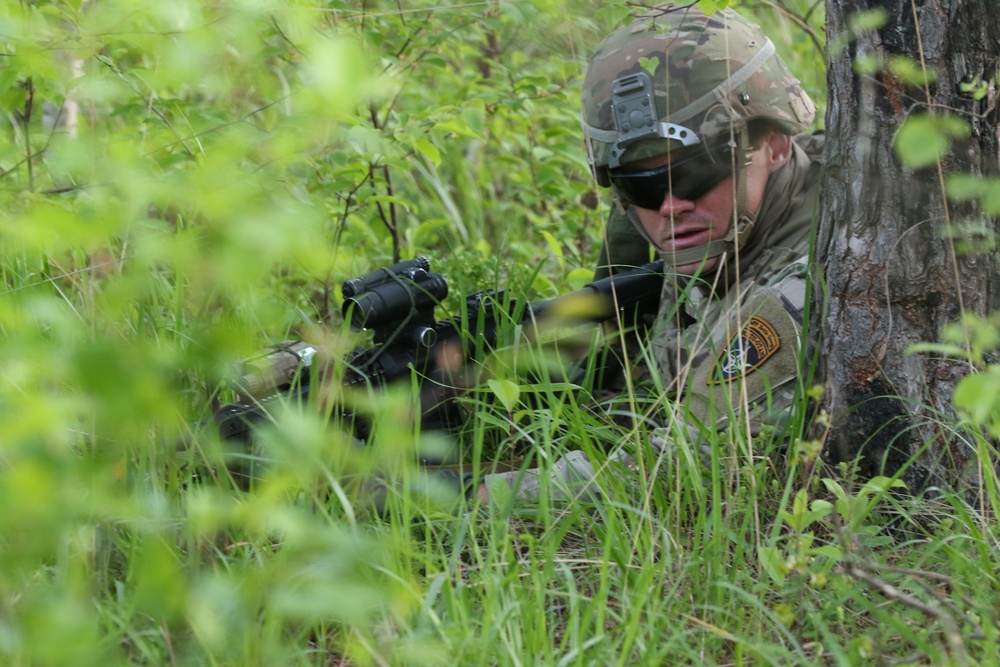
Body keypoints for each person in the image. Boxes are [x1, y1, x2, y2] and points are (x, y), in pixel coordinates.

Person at [474, 3, 823, 503]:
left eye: (694, 173)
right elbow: (617, 390)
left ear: (775, 144)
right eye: (639, 185)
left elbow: (681, 463)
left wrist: (476, 495)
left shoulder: (810, 274)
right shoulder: (688, 224)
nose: (670, 206)